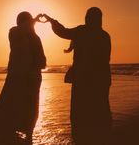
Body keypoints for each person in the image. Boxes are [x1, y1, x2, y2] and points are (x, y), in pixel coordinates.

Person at [43, 7, 112, 144]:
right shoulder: (104, 35)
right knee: (100, 108)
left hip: (83, 78)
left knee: (79, 111)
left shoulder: (81, 31)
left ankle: (81, 138)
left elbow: (63, 32)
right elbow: (106, 59)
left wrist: (51, 21)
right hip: (101, 78)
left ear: (87, 18)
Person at [0, 12, 46, 145]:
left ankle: (26, 135)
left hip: (26, 77)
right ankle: (13, 134)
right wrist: (33, 21)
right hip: (21, 76)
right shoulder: (15, 32)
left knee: (27, 107)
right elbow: (42, 61)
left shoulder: (33, 37)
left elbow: (43, 62)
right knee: (12, 105)